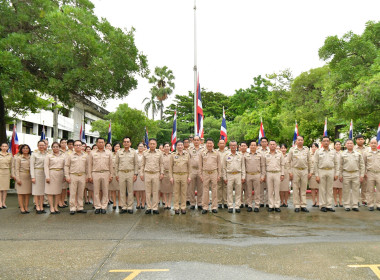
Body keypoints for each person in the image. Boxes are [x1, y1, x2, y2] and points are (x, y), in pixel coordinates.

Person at [88, 138, 113, 214]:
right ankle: (97, 206)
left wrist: (111, 175)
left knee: (105, 191)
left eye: (102, 142)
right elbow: (90, 165)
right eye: (99, 142)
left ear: (104, 143)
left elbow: (111, 165)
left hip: (106, 173)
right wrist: (90, 175)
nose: (101, 144)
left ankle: (104, 206)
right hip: (95, 173)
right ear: (96, 143)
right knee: (96, 191)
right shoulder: (92, 153)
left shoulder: (108, 153)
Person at [314, 136, 339, 212]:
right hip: (321, 171)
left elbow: (336, 163)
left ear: (329, 142)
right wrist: (317, 175)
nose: (326, 142)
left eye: (327, 141)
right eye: (324, 141)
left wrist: (336, 173)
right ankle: (322, 205)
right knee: (322, 189)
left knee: (329, 189)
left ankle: (329, 205)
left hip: (331, 171)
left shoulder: (333, 151)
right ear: (322, 142)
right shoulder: (318, 151)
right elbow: (315, 164)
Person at [339, 139, 365, 211]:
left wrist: (362, 175)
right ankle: (347, 205)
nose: (350, 144)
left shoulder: (358, 154)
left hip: (356, 173)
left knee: (356, 190)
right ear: (346, 145)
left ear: (353, 145)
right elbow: (340, 166)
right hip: (346, 173)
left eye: (351, 143)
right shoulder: (343, 154)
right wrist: (340, 175)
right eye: (348, 143)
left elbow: (362, 165)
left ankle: (355, 205)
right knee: (346, 190)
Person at [288, 136, 311, 212]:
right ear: (296, 141)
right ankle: (297, 205)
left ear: (303, 141)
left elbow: (310, 161)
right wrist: (290, 172)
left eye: (301, 140)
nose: (300, 141)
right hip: (295, 170)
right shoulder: (292, 150)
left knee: (303, 188)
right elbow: (288, 162)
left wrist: (310, 172)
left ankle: (303, 205)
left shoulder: (307, 150)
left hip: (304, 170)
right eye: (299, 140)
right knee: (295, 188)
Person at [141, 138, 164, 215]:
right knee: (147, 192)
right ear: (148, 144)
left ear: (156, 144)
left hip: (156, 173)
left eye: (154, 144)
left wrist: (162, 173)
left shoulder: (159, 153)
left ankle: (155, 207)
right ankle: (148, 207)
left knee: (155, 191)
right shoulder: (145, 153)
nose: (152, 145)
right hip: (147, 173)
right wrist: (141, 174)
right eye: (151, 144)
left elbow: (161, 164)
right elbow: (142, 164)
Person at [65, 140, 88, 215]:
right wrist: (67, 176)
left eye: (79, 145)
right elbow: (66, 166)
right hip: (73, 175)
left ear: (82, 146)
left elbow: (87, 167)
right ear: (74, 146)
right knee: (72, 193)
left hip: (82, 175)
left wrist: (87, 176)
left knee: (81, 193)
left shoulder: (85, 155)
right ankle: (72, 208)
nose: (78, 146)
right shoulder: (70, 155)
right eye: (76, 145)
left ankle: (80, 207)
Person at [115, 137, 138, 214]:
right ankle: (124, 206)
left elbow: (136, 163)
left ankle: (130, 206)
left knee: (130, 191)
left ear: (130, 143)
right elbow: (116, 164)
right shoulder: (119, 152)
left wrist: (135, 174)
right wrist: (116, 174)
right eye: (124, 142)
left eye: (128, 142)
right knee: (122, 191)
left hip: (130, 173)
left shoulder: (134, 152)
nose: (126, 143)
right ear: (123, 143)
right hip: (121, 173)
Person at [242, 140, 266, 212]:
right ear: (249, 146)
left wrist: (262, 176)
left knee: (257, 191)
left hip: (257, 175)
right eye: (251, 145)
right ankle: (249, 205)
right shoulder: (245, 155)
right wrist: (244, 176)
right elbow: (243, 166)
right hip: (248, 175)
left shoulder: (260, 155)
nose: (253, 146)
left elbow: (263, 166)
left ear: (257, 146)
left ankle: (256, 205)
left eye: (254, 145)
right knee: (248, 191)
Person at [200, 138, 221, 214]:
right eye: (208, 143)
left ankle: (214, 207)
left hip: (214, 172)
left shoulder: (216, 153)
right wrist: (200, 174)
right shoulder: (202, 153)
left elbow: (219, 165)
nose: (209, 145)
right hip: (205, 173)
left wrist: (219, 174)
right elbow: (200, 165)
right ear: (206, 144)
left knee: (214, 190)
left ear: (213, 144)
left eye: (210, 143)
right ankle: (205, 207)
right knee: (205, 190)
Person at [223, 140, 245, 213]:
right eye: (232, 145)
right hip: (229, 175)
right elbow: (224, 167)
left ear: (237, 146)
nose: (233, 147)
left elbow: (243, 167)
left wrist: (243, 176)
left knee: (238, 191)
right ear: (229, 146)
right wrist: (225, 177)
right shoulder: (226, 155)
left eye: (234, 145)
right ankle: (230, 206)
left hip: (238, 174)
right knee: (229, 191)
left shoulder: (240, 155)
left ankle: (237, 206)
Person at [169, 140, 191, 214]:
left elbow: (189, 167)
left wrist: (189, 176)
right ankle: (176, 207)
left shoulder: (187, 154)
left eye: (181, 145)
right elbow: (170, 167)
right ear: (176, 146)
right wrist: (171, 177)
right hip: (176, 175)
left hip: (184, 175)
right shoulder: (173, 155)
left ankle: (183, 207)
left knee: (184, 192)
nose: (180, 146)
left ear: (183, 146)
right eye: (178, 145)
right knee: (176, 192)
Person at [44, 142, 65, 214]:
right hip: (51, 173)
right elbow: (46, 166)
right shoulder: (48, 155)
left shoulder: (63, 156)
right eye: (54, 147)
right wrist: (47, 176)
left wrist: (65, 175)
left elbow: (65, 166)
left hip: (60, 174)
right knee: (50, 192)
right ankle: (51, 207)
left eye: (57, 147)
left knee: (58, 192)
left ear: (59, 147)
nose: (55, 148)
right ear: (52, 148)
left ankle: (56, 207)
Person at [265, 140, 285, 212]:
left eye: (274, 144)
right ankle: (271, 205)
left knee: (277, 190)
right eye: (271, 144)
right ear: (268, 145)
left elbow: (282, 164)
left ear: (276, 146)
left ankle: (277, 205)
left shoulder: (280, 154)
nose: (272, 145)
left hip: (277, 173)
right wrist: (264, 175)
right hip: (269, 173)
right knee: (270, 190)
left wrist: (282, 174)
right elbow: (263, 165)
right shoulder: (266, 154)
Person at [30, 140, 47, 214]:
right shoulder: (34, 154)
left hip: (44, 174)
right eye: (40, 145)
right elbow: (31, 166)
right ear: (37, 146)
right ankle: (37, 206)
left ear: (45, 146)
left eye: (43, 145)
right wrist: (32, 177)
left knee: (42, 192)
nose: (41, 146)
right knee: (36, 192)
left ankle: (41, 206)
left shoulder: (47, 154)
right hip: (37, 173)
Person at [363, 138, 380, 211]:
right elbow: (363, 164)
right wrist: (364, 173)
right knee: (370, 190)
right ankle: (370, 204)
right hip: (370, 173)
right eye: (372, 143)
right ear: (370, 144)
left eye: (375, 143)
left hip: (379, 173)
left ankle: (378, 204)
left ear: (377, 144)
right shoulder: (366, 153)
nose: (373, 144)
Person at [15, 144, 32, 214]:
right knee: (21, 194)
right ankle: (22, 208)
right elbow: (16, 169)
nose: (25, 149)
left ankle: (26, 207)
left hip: (29, 177)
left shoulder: (31, 157)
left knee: (27, 194)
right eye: (24, 148)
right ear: (21, 150)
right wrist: (18, 179)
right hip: (21, 176)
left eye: (27, 148)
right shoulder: (19, 158)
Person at [188, 136, 204, 210]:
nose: (196, 141)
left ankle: (200, 203)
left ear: (200, 141)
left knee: (201, 187)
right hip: (192, 170)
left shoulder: (204, 149)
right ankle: (192, 203)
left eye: (198, 140)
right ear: (193, 141)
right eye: (195, 140)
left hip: (201, 170)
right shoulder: (189, 150)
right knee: (191, 188)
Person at [354, 135, 368, 206]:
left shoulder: (368, 149)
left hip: (365, 170)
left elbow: (368, 161)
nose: (360, 140)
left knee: (364, 186)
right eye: (359, 139)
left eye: (362, 139)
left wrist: (366, 171)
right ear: (356, 140)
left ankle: (364, 200)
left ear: (364, 140)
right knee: (356, 186)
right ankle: (356, 201)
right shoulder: (353, 149)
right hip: (356, 170)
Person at [217, 139, 229, 209]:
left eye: (223, 143)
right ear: (218, 144)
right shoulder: (215, 152)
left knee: (226, 187)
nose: (221, 145)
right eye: (220, 143)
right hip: (218, 172)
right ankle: (219, 202)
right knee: (218, 188)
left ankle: (225, 202)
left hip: (226, 173)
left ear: (225, 144)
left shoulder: (228, 152)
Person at [108, 142, 121, 209]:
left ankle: (120, 203)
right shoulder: (110, 154)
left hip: (120, 173)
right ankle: (114, 203)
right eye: (116, 146)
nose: (117, 148)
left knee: (119, 189)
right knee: (113, 189)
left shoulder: (122, 154)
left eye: (118, 146)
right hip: (112, 172)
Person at [0, 143, 12, 209]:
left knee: (5, 189)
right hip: (0, 171)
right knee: (0, 189)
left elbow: (11, 165)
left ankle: (4, 202)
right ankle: (0, 203)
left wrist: (11, 173)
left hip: (7, 172)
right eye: (3, 146)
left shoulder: (10, 155)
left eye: (5, 146)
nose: (4, 147)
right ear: (0, 147)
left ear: (7, 147)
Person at [134, 142, 146, 209]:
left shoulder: (146, 154)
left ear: (144, 147)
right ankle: (138, 202)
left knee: (143, 189)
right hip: (137, 172)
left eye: (142, 146)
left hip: (144, 173)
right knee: (137, 189)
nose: (140, 148)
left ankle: (143, 202)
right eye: (139, 146)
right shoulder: (135, 154)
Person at [258, 137, 269, 207]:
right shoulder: (257, 151)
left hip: (269, 171)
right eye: (263, 141)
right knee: (260, 188)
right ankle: (261, 202)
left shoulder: (270, 150)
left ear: (267, 143)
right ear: (261, 143)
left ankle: (268, 202)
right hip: (260, 171)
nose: (264, 143)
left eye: (265, 141)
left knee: (269, 188)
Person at [333, 141, 343, 207]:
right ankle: (335, 201)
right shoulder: (332, 153)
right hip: (333, 172)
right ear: (334, 146)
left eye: (339, 144)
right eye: (336, 144)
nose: (338, 146)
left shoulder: (343, 153)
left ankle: (340, 200)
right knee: (334, 187)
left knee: (340, 188)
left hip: (341, 172)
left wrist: (342, 174)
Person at [238, 141, 249, 208]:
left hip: (248, 174)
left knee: (247, 189)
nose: (243, 147)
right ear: (240, 147)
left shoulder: (249, 154)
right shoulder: (237, 154)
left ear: (247, 147)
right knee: (240, 189)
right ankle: (240, 202)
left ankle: (247, 202)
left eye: (245, 146)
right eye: (242, 146)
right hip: (240, 174)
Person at [309, 143, 320, 207]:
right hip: (311, 174)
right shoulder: (309, 155)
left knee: (318, 188)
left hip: (318, 174)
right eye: (312, 147)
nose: (314, 148)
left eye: (315, 147)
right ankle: (313, 201)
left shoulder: (320, 155)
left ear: (317, 148)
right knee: (312, 188)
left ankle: (318, 201)